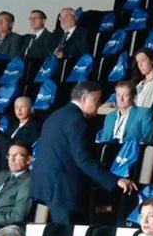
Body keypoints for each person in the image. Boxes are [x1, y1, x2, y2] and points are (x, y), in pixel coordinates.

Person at [33, 83, 137, 224]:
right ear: (84, 99)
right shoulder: (77, 121)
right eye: (96, 100)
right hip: (64, 190)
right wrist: (116, 180)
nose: (99, 104)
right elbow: (83, 160)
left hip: (49, 186)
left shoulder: (57, 115)